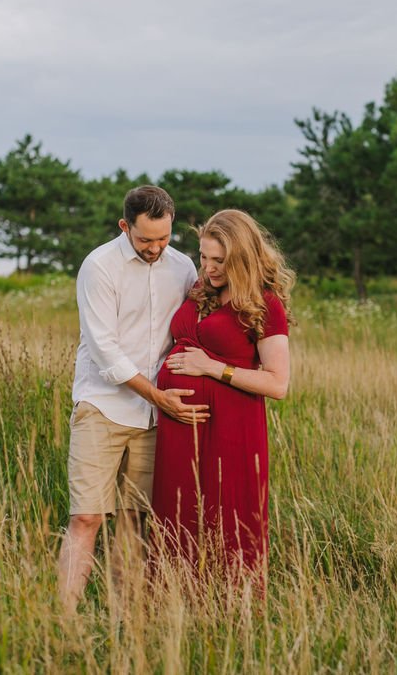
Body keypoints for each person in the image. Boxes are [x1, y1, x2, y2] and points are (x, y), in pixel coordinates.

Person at [56, 185, 206, 614]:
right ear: (125, 227)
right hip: (102, 406)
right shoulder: (99, 267)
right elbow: (106, 351)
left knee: (135, 520)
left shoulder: (181, 267)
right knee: (86, 517)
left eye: (163, 238)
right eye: (145, 240)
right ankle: (62, 621)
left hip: (156, 417)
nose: (156, 248)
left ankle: (125, 619)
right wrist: (159, 396)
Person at [151, 209, 294, 588]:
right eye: (204, 257)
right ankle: (172, 604)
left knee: (226, 517)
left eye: (219, 260)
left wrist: (213, 369)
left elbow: (278, 384)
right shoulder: (203, 291)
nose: (209, 268)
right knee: (177, 515)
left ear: (242, 258)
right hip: (180, 428)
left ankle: (227, 610)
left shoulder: (265, 304)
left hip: (231, 431)